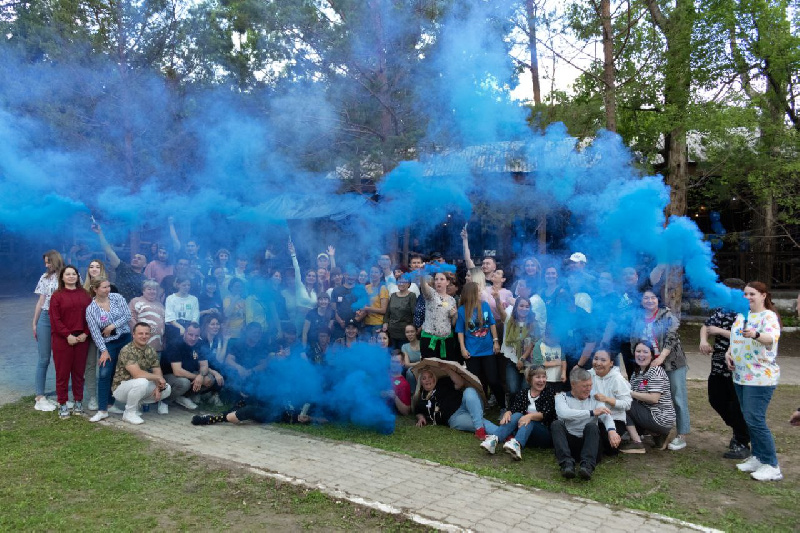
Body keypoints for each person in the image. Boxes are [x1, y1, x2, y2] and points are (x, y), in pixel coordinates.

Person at [725, 281, 783, 481]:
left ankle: (772, 465)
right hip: (741, 375)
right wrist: (729, 353)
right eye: (745, 294)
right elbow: (736, 339)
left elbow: (771, 338)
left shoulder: (769, 316)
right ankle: (758, 457)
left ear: (763, 295)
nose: (748, 297)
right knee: (748, 418)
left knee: (755, 420)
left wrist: (756, 334)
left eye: (752, 294)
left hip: (760, 378)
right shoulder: (742, 315)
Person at [631, 289, 690, 451]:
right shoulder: (638, 318)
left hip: (672, 362)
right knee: (648, 394)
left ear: (658, 300)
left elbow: (672, 338)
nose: (649, 301)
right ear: (641, 301)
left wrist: (661, 359)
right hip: (649, 362)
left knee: (677, 396)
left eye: (653, 298)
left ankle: (681, 435)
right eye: (646, 298)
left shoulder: (667, 316)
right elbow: (634, 339)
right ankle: (654, 429)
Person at [700, 278, 751, 459]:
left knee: (736, 404)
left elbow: (745, 336)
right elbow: (706, 326)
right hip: (718, 362)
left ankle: (742, 440)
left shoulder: (746, 312)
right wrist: (703, 340)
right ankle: (740, 429)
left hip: (736, 365)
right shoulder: (723, 309)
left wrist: (719, 331)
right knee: (715, 399)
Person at [551, 367, 620, 480]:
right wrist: (592, 412)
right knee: (556, 424)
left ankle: (587, 466)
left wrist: (612, 430)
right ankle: (566, 464)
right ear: (573, 384)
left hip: (590, 446)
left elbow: (605, 415)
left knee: (592, 426)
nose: (589, 389)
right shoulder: (561, 397)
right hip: (570, 444)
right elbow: (564, 413)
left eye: (590, 385)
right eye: (584, 386)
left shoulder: (595, 397)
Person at [480, 366, 556, 459]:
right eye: (538, 377)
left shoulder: (549, 392)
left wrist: (530, 416)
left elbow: (547, 414)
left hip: (543, 434)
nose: (542, 380)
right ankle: (493, 440)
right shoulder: (523, 393)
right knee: (517, 415)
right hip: (524, 431)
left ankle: (517, 444)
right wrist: (508, 413)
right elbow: (515, 409)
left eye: (543, 377)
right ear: (529, 379)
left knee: (528, 419)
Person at [86, 277, 132, 422]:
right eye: (104, 287)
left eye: (108, 287)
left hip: (125, 338)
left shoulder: (117, 298)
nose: (108, 290)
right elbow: (94, 333)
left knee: (126, 370)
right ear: (95, 289)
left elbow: (127, 315)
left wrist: (113, 326)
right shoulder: (91, 309)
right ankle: (102, 409)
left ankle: (118, 404)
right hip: (108, 343)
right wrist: (103, 350)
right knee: (105, 372)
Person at [48, 265, 92, 418]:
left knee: (79, 373)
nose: (71, 276)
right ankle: (62, 403)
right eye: (68, 274)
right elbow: (55, 319)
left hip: (82, 339)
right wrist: (67, 335)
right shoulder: (57, 296)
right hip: (63, 340)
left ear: (78, 277)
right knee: (63, 374)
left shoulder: (85, 295)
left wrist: (86, 333)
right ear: (62, 277)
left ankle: (78, 402)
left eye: (74, 274)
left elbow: (90, 317)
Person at [619, 341, 676, 454]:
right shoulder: (636, 374)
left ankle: (637, 443)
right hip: (651, 415)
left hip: (660, 418)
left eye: (645, 352)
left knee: (623, 404)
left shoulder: (655, 370)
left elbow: (654, 398)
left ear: (652, 355)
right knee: (624, 402)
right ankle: (659, 436)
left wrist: (628, 393)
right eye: (638, 351)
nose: (641, 355)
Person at [456, 281, 504, 410]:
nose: (480, 293)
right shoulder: (462, 310)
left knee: (493, 379)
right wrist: (462, 348)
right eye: (478, 291)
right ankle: (481, 405)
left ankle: (503, 406)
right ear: (471, 293)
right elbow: (460, 330)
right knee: (476, 382)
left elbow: (492, 323)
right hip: (472, 351)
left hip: (488, 349)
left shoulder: (485, 305)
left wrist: (496, 341)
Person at [112, 322, 171, 424]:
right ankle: (129, 413)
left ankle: (137, 404)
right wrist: (157, 378)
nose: (144, 336)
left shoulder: (151, 350)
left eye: (146, 334)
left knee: (166, 388)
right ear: (133, 335)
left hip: (138, 386)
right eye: (140, 334)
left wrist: (158, 386)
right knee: (141, 381)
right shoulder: (127, 350)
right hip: (121, 389)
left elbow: (157, 370)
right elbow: (137, 374)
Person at [413, 367, 488, 439]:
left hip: (466, 403)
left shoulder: (443, 382)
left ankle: (479, 427)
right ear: (421, 382)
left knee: (469, 391)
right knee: (485, 425)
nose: (427, 380)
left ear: (434, 378)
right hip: (455, 417)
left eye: (430, 377)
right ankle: (485, 429)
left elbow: (460, 383)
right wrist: (421, 417)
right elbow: (418, 410)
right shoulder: (423, 399)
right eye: (424, 378)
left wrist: (447, 369)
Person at [162, 322, 224, 410]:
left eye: (196, 335)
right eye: (190, 335)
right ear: (185, 333)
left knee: (209, 378)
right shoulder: (175, 344)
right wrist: (197, 377)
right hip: (170, 376)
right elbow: (177, 371)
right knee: (184, 383)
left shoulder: (200, 344)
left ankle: (185, 397)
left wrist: (201, 376)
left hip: (188, 373)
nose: (193, 338)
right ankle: (165, 400)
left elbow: (204, 365)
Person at [32, 250, 64, 411]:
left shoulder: (67, 275)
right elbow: (41, 301)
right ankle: (39, 395)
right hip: (46, 316)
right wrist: (34, 323)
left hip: (63, 318)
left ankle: (62, 395)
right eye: (45, 262)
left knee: (62, 358)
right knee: (44, 358)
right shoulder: (45, 278)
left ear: (55, 261)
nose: (46, 265)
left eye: (48, 262)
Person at [589, 350, 632, 454]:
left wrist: (607, 399)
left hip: (615, 418)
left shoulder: (617, 379)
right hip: (594, 418)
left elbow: (627, 404)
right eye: (596, 359)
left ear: (611, 363)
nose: (598, 363)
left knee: (610, 449)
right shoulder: (588, 375)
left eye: (603, 360)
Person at [90, 223, 147, 302]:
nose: (135, 259)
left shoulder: (145, 280)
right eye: (134, 257)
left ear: (144, 265)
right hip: (117, 305)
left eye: (139, 258)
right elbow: (109, 251)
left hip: (133, 310)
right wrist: (100, 233)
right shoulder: (123, 267)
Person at [501, 297, 537, 397]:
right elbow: (500, 312)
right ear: (516, 307)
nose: (524, 309)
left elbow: (533, 343)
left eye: (527, 306)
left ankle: (524, 410)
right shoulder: (510, 321)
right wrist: (496, 299)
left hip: (528, 361)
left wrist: (522, 359)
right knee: (513, 389)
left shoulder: (533, 323)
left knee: (524, 389)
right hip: (512, 360)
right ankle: (511, 409)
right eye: (521, 306)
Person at [419, 271, 458, 361]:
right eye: (436, 279)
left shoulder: (452, 300)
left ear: (447, 282)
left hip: (447, 340)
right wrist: (422, 274)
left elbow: (453, 324)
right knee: (431, 370)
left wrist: (454, 315)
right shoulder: (431, 294)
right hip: (429, 340)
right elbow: (424, 287)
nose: (438, 282)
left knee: (445, 371)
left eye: (441, 279)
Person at [128, 279, 166, 354]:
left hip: (158, 346)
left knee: (155, 365)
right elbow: (130, 318)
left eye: (154, 289)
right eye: (149, 289)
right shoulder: (136, 301)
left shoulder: (160, 305)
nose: (152, 291)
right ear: (143, 291)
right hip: (141, 345)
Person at [164, 276, 200, 352]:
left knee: (188, 351)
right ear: (178, 285)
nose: (187, 287)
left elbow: (195, 315)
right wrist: (180, 327)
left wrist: (190, 330)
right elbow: (169, 316)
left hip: (189, 327)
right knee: (174, 351)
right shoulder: (170, 298)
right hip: (174, 327)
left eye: (188, 285)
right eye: (184, 285)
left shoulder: (194, 299)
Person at [383, 277, 417, 349]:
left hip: (405, 332)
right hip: (391, 331)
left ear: (409, 284)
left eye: (404, 282)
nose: (401, 284)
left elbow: (415, 314)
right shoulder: (393, 295)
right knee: (392, 354)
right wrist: (385, 322)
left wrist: (413, 329)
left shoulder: (412, 296)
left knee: (403, 355)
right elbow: (388, 312)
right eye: (399, 282)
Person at [532, 326, 566, 391]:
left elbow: (563, 360)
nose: (556, 342)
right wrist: (556, 363)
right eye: (554, 341)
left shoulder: (559, 345)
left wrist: (563, 373)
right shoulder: (539, 345)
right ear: (547, 337)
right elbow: (539, 362)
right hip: (544, 380)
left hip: (558, 379)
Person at [400, 324, 421, 391]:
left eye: (412, 331)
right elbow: (407, 364)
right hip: (413, 369)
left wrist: (420, 364)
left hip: (424, 367)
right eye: (407, 332)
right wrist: (419, 363)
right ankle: (412, 394)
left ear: (416, 332)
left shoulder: (422, 343)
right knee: (409, 372)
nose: (410, 334)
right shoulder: (405, 347)